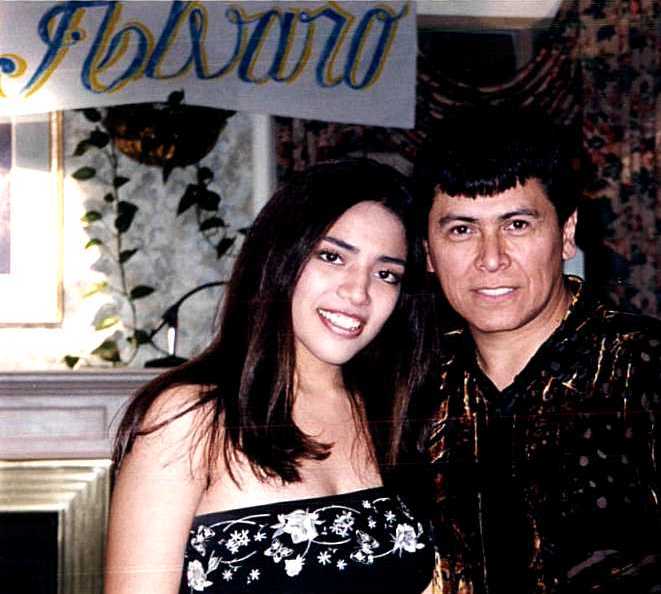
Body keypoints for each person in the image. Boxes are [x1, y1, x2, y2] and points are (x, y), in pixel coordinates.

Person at [105, 159, 435, 594]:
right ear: (280, 258)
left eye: (386, 274)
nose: (358, 292)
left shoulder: (397, 413)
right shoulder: (191, 419)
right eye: (332, 257)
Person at [413, 108, 661, 594]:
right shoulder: (410, 389)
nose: (491, 258)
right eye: (462, 229)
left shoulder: (643, 366)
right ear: (427, 252)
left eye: (517, 224)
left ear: (566, 233)